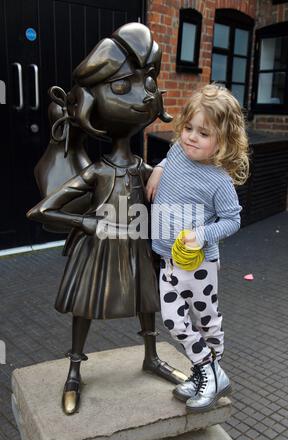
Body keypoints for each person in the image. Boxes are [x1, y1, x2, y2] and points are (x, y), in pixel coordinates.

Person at [27, 23, 187, 416]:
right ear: (88, 103)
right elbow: (42, 210)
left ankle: (151, 356)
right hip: (99, 248)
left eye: (147, 82)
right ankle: (75, 370)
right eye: (120, 87)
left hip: (137, 244)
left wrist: (165, 169)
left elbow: (181, 188)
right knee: (85, 306)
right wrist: (87, 224)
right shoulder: (97, 173)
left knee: (147, 299)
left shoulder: (142, 167)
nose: (143, 96)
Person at [146, 84, 249, 412]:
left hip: (198, 265)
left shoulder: (218, 180)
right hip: (167, 259)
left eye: (203, 133)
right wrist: (159, 170)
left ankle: (208, 372)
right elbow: (168, 157)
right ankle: (209, 371)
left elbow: (232, 220)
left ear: (224, 140)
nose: (190, 137)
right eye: (188, 127)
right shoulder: (177, 151)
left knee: (206, 322)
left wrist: (202, 234)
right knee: (174, 322)